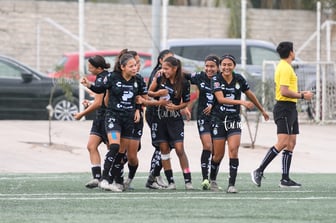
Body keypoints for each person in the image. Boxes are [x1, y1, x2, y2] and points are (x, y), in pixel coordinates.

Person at [81, 52, 147, 192]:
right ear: (123, 67)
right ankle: (104, 179)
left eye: (135, 65)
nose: (135, 68)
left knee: (121, 153)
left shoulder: (139, 80)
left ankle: (113, 181)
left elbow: (141, 98)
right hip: (113, 117)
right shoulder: (112, 77)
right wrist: (89, 85)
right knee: (114, 146)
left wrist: (138, 108)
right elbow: (100, 89)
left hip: (128, 120)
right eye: (131, 66)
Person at [251, 41, 313, 188]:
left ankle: (285, 179)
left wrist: (302, 94)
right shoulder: (284, 68)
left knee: (291, 143)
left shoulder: (287, 67)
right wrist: (303, 96)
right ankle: (259, 170)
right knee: (283, 142)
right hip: (284, 108)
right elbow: (284, 91)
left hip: (291, 107)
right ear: (291, 52)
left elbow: (287, 91)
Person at [210, 54, 269, 193]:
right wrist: (241, 102)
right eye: (223, 64)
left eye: (229, 64)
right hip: (218, 120)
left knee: (233, 151)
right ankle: (212, 179)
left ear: (234, 66)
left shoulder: (239, 79)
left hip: (234, 120)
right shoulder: (216, 79)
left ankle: (231, 184)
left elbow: (250, 95)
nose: (226, 67)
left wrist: (262, 110)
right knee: (218, 155)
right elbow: (220, 99)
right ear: (220, 66)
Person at [147, 56, 193, 190]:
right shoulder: (160, 77)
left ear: (175, 68)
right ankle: (171, 181)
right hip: (159, 118)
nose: (164, 70)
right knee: (164, 150)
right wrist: (158, 93)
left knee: (179, 148)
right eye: (163, 68)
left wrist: (177, 107)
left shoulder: (184, 82)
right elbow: (148, 92)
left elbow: (185, 101)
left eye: (167, 68)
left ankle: (188, 181)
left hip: (174, 119)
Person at [73, 55, 110, 189]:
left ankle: (113, 178)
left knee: (111, 150)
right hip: (100, 118)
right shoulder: (100, 78)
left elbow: (99, 103)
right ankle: (97, 178)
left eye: (91, 67)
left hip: (108, 119)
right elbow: (99, 99)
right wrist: (90, 102)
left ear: (99, 68)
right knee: (91, 146)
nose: (88, 69)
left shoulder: (104, 78)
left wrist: (81, 114)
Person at [184, 54, 220, 190]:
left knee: (217, 152)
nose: (209, 69)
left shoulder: (222, 78)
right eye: (207, 66)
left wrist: (215, 105)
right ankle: (205, 179)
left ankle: (213, 179)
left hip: (218, 118)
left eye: (212, 66)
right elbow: (185, 76)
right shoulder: (199, 77)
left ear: (218, 67)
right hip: (203, 118)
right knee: (207, 146)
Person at [144, 49, 174, 189]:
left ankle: (156, 174)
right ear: (161, 60)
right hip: (155, 113)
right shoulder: (158, 74)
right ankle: (154, 175)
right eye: (167, 59)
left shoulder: (171, 73)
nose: (171, 63)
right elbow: (150, 94)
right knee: (162, 145)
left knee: (166, 145)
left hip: (166, 114)